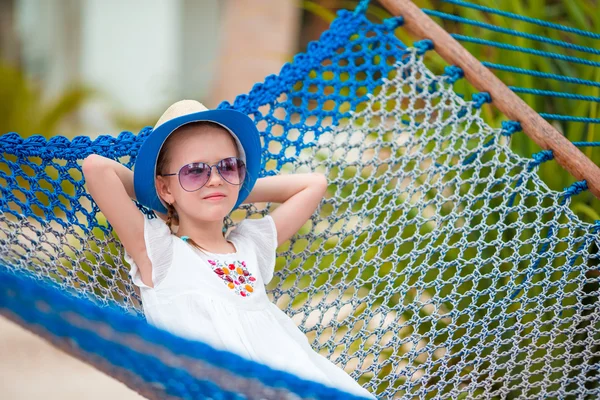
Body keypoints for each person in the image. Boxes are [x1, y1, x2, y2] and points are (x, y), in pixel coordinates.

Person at [82, 100, 375, 399]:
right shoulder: (160, 253)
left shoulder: (250, 245)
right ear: (165, 187)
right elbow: (96, 168)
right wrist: (159, 195)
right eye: (194, 171)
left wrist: (233, 191)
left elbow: (314, 184)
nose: (215, 179)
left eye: (229, 166)